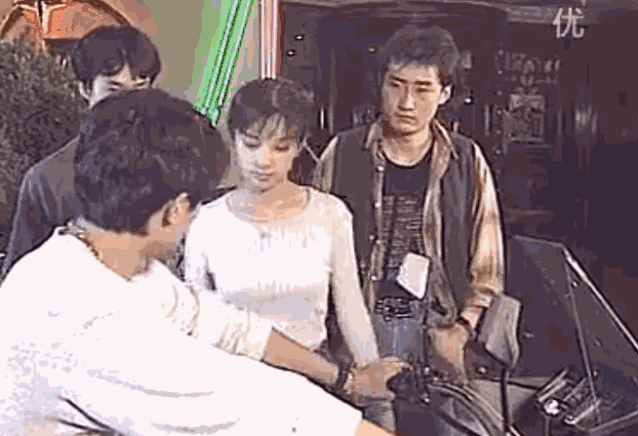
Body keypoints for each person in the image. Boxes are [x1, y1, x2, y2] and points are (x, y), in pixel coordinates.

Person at [0, 88, 404, 436]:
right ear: (175, 210)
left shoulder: (104, 261)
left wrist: (345, 378)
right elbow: (257, 402)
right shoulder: (87, 317)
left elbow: (224, 324)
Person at [311, 25, 505, 435]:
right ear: (380, 85)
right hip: (360, 325)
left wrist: (462, 329)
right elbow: (312, 253)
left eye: (422, 89)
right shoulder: (342, 152)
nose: (407, 103)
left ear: (444, 93)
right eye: (396, 85)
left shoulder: (466, 159)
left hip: (439, 328)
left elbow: (488, 263)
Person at [184, 78, 380, 380]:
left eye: (281, 147)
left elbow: (351, 308)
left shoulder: (329, 214)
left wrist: (371, 373)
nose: (263, 160)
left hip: (313, 375)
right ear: (234, 139)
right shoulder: (206, 221)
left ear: (299, 147)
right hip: (232, 379)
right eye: (251, 144)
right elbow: (196, 318)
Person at [2, 25, 194, 275]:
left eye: (139, 89)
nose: (129, 104)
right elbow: (21, 277)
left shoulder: (177, 164)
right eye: (114, 90)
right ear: (84, 89)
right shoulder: (48, 180)